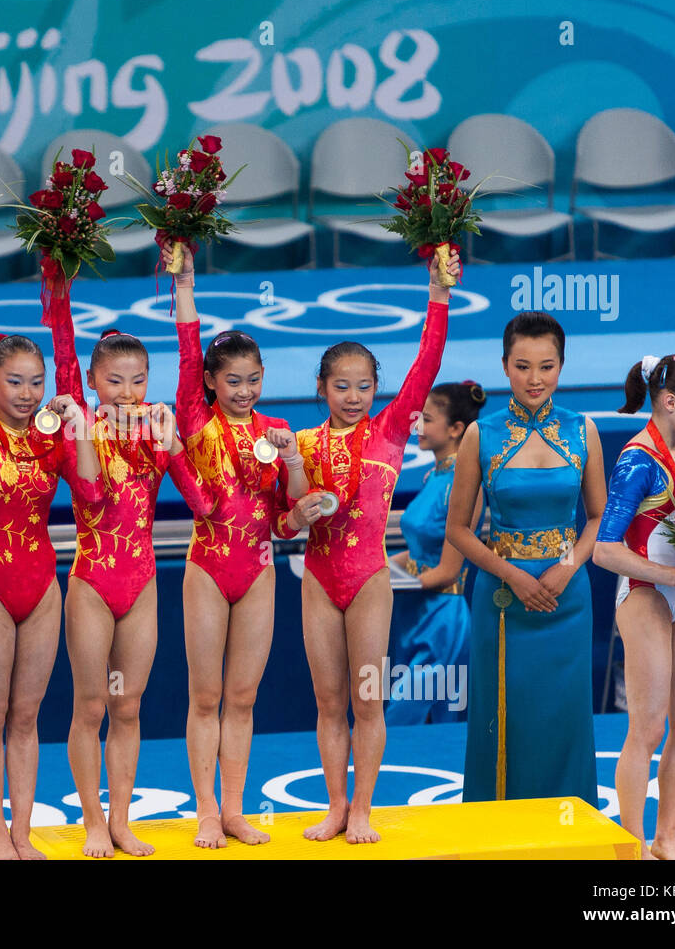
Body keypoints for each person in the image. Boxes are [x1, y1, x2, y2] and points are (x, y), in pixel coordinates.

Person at [292, 249, 458, 843]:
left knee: (367, 698)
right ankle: (335, 805)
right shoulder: (302, 443)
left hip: (366, 580)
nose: (355, 396)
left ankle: (362, 807)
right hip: (318, 579)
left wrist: (437, 293)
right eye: (342, 387)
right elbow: (281, 524)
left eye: (365, 387)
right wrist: (296, 512)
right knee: (328, 699)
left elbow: (427, 363)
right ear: (322, 387)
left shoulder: (389, 431)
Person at [50, 312, 211, 858]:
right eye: (114, 381)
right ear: (92, 382)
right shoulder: (77, 429)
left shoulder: (154, 432)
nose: (126, 392)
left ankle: (121, 821)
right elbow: (92, 498)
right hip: (93, 580)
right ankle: (93, 821)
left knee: (128, 706)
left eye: (138, 380)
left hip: (141, 583)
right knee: (90, 705)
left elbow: (201, 504)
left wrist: (172, 447)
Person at [168, 243, 309, 849]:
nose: (245, 389)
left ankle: (233, 808)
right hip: (206, 566)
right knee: (206, 696)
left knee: (244, 697)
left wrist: (298, 472)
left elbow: (287, 523)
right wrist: (185, 283)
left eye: (254, 379)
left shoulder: (277, 434)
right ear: (210, 381)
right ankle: (204, 811)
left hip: (259, 569)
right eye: (233, 380)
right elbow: (184, 343)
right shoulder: (196, 421)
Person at [446, 312, 606, 806]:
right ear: (504, 366)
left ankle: (571, 832)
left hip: (567, 598)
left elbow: (599, 517)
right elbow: (457, 530)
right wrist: (512, 574)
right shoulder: (481, 435)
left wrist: (567, 566)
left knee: (565, 715)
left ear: (561, 367)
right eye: (522, 366)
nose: (535, 379)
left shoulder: (584, 430)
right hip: (502, 600)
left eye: (547, 366)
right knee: (506, 717)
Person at [0, 333, 100, 860]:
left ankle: (22, 833)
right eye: (14, 382)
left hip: (42, 587)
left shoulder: (51, 434)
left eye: (36, 383)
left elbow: (91, 492)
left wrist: (79, 427)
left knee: (26, 717)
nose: (26, 393)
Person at [593, 354, 675, 859]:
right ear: (669, 402)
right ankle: (633, 846)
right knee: (647, 727)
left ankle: (666, 839)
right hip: (643, 594)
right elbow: (604, 549)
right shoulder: (637, 460)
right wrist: (671, 576)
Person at [386, 380, 486, 725]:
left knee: (404, 722)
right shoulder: (434, 475)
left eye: (427, 420)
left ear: (456, 429)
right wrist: (373, 568)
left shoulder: (465, 483)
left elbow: (446, 571)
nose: (418, 426)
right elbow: (418, 550)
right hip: (411, 616)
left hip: (442, 620)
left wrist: (384, 584)